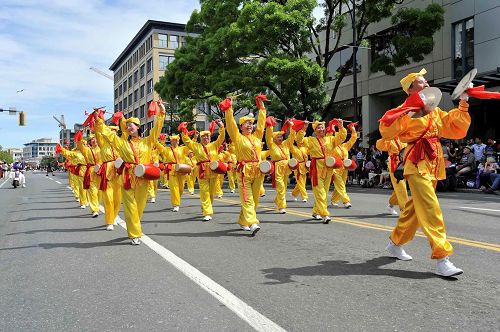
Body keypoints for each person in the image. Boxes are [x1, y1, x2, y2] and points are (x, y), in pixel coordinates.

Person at [379, 68, 470, 277]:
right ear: (410, 89)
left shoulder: (435, 110)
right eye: (421, 82)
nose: (427, 84)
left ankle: (395, 243)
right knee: (430, 208)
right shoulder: (406, 109)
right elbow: (388, 130)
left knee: (415, 208)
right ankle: (442, 258)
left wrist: (463, 102)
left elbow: (454, 126)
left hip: (434, 161)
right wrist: (407, 111)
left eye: (426, 81)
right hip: (416, 161)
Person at [93, 101, 166, 245]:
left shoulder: (148, 141)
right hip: (127, 177)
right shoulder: (122, 143)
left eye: (131, 125)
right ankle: (134, 234)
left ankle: (134, 225)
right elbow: (109, 135)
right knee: (130, 205)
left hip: (143, 177)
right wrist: (99, 120)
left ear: (138, 127)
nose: (128, 127)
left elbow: (156, 129)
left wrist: (162, 112)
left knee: (139, 206)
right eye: (127, 126)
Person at [221, 96, 266, 236]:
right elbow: (230, 124)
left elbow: (262, 125)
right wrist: (229, 109)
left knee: (255, 199)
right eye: (246, 123)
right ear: (241, 127)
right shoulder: (237, 137)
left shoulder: (257, 137)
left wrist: (262, 109)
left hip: (258, 171)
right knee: (247, 198)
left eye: (251, 123)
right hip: (244, 171)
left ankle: (243, 221)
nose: (249, 125)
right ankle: (252, 222)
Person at [295, 119, 346, 223]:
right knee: (320, 192)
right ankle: (324, 214)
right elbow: (299, 140)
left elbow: (341, 138)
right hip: (317, 168)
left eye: (322, 127)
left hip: (328, 168)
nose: (321, 129)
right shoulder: (310, 140)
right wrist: (304, 128)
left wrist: (340, 127)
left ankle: (316, 211)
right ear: (315, 130)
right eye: (318, 127)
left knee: (325, 192)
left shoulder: (331, 139)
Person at [181, 119, 225, 221]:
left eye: (208, 136)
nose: (206, 138)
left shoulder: (215, 144)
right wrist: (184, 129)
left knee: (211, 193)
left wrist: (221, 126)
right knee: (204, 192)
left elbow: (221, 137)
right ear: (200, 138)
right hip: (202, 171)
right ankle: (207, 212)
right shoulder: (196, 146)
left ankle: (205, 207)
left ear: (210, 137)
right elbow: (187, 141)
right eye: (203, 136)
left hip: (214, 170)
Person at [95, 124, 122, 231]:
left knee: (117, 198)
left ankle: (114, 217)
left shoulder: (119, 142)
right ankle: (109, 221)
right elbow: (98, 132)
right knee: (108, 198)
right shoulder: (102, 143)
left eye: (114, 131)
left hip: (119, 171)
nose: (112, 132)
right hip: (107, 171)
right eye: (110, 130)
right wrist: (98, 121)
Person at [265, 118, 295, 214]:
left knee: (284, 187)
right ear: (274, 139)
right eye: (278, 137)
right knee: (281, 187)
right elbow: (268, 136)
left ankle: (277, 201)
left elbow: (291, 137)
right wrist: (270, 126)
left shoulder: (286, 144)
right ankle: (282, 206)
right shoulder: (271, 145)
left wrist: (291, 126)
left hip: (286, 167)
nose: (280, 138)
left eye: (281, 137)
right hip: (277, 167)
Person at [156, 134, 190, 212]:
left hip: (181, 169)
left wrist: (193, 138)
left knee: (181, 188)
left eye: (176, 141)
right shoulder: (167, 150)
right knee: (174, 188)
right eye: (173, 141)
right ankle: (176, 204)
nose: (175, 142)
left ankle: (177, 199)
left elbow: (190, 145)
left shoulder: (182, 149)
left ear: (178, 142)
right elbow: (159, 146)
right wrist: (159, 140)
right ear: (171, 142)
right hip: (172, 170)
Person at [376, 137, 409, 215]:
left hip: (405, 164)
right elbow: (380, 146)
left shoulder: (404, 137)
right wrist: (385, 136)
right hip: (394, 165)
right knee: (401, 187)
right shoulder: (389, 139)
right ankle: (405, 210)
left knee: (400, 187)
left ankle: (391, 205)